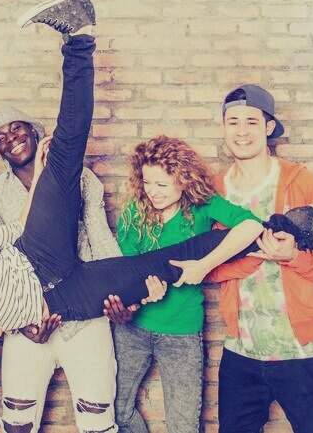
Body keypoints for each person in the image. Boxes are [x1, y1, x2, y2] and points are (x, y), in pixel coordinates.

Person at [0, 0, 301, 338]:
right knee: (165, 267)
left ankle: (78, 36)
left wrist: (44, 182)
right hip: (63, 300)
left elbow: (16, 234)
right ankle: (278, 230)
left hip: (38, 257)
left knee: (64, 155)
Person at [0, 105, 161, 433]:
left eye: (16, 128)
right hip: (28, 321)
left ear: (34, 131)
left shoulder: (79, 176)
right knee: (17, 423)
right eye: (0, 137)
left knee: (98, 419)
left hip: (85, 317)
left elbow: (99, 236)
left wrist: (122, 294)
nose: (11, 139)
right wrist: (18, 322)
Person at [207, 84, 313, 433]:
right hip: (242, 351)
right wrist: (249, 259)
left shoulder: (302, 182)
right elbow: (203, 267)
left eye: (251, 122)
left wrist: (292, 257)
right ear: (224, 127)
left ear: (269, 127)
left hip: (306, 351)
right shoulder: (214, 191)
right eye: (233, 122)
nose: (241, 132)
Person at [111, 136, 264, 433]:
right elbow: (127, 271)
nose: (152, 191)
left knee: (183, 426)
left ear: (183, 180)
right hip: (132, 330)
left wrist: (204, 265)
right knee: (117, 411)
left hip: (182, 333)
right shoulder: (133, 212)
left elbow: (252, 226)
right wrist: (140, 297)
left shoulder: (203, 206)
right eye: (147, 182)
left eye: (162, 184)